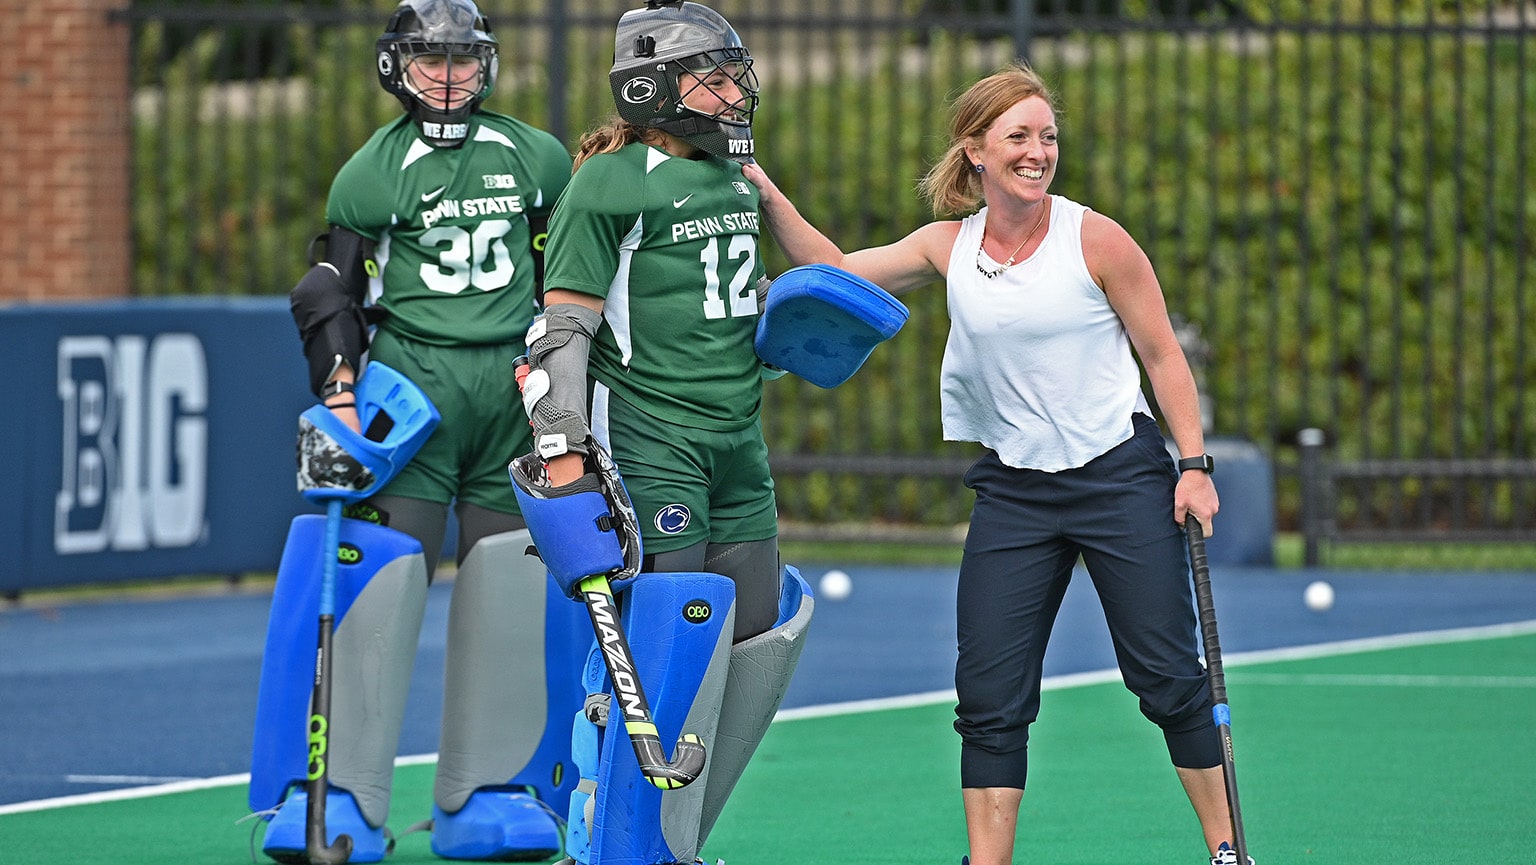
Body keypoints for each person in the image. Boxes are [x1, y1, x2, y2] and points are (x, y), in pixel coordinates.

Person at [743, 63, 1248, 865]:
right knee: (987, 695)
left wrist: (1194, 464)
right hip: (1014, 492)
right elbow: (833, 273)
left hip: (1119, 476)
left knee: (1166, 678)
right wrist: (767, 195)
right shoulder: (951, 244)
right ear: (975, 150)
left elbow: (1163, 357)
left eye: (1047, 136)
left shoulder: (1097, 239)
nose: (1037, 151)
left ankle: (1228, 850)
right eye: (1019, 136)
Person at [259, 0, 585, 861]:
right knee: (378, 585)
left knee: (511, 583)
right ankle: (341, 799)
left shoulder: (536, 156)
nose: (448, 76)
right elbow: (331, 288)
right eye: (429, 60)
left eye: (463, 59)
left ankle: (490, 788)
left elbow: (570, 277)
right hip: (412, 391)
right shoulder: (371, 170)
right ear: (396, 68)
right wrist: (337, 391)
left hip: (514, 392)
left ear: (489, 64)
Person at [512, 2, 815, 863]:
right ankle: (605, 833)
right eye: (712, 77)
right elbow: (560, 328)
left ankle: (668, 838)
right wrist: (562, 443)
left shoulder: (734, 176)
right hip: (651, 436)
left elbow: (813, 282)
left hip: (737, 440)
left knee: (752, 633)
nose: (733, 94)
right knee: (662, 640)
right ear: (651, 86)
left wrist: (764, 193)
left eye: (733, 75)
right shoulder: (609, 182)